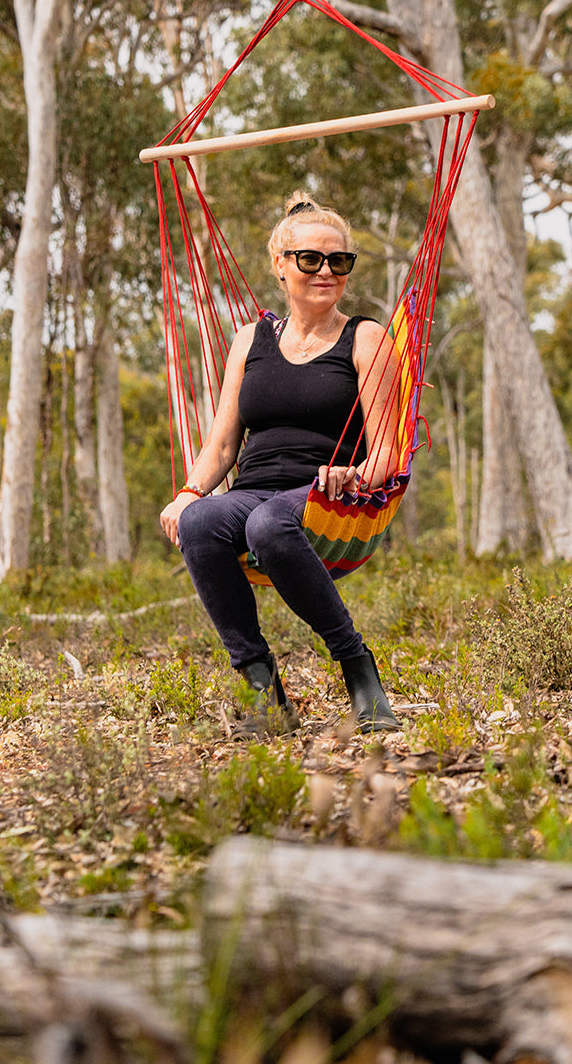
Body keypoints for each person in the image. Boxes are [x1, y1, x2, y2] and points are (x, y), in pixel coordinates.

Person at [160, 190, 402, 737]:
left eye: (339, 261)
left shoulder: (365, 339)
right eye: (310, 259)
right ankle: (261, 686)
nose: (326, 271)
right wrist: (189, 492)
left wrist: (356, 476)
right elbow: (223, 445)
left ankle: (357, 666)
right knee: (202, 521)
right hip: (255, 486)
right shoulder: (250, 340)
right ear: (280, 264)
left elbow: (387, 451)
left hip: (328, 495)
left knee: (267, 525)